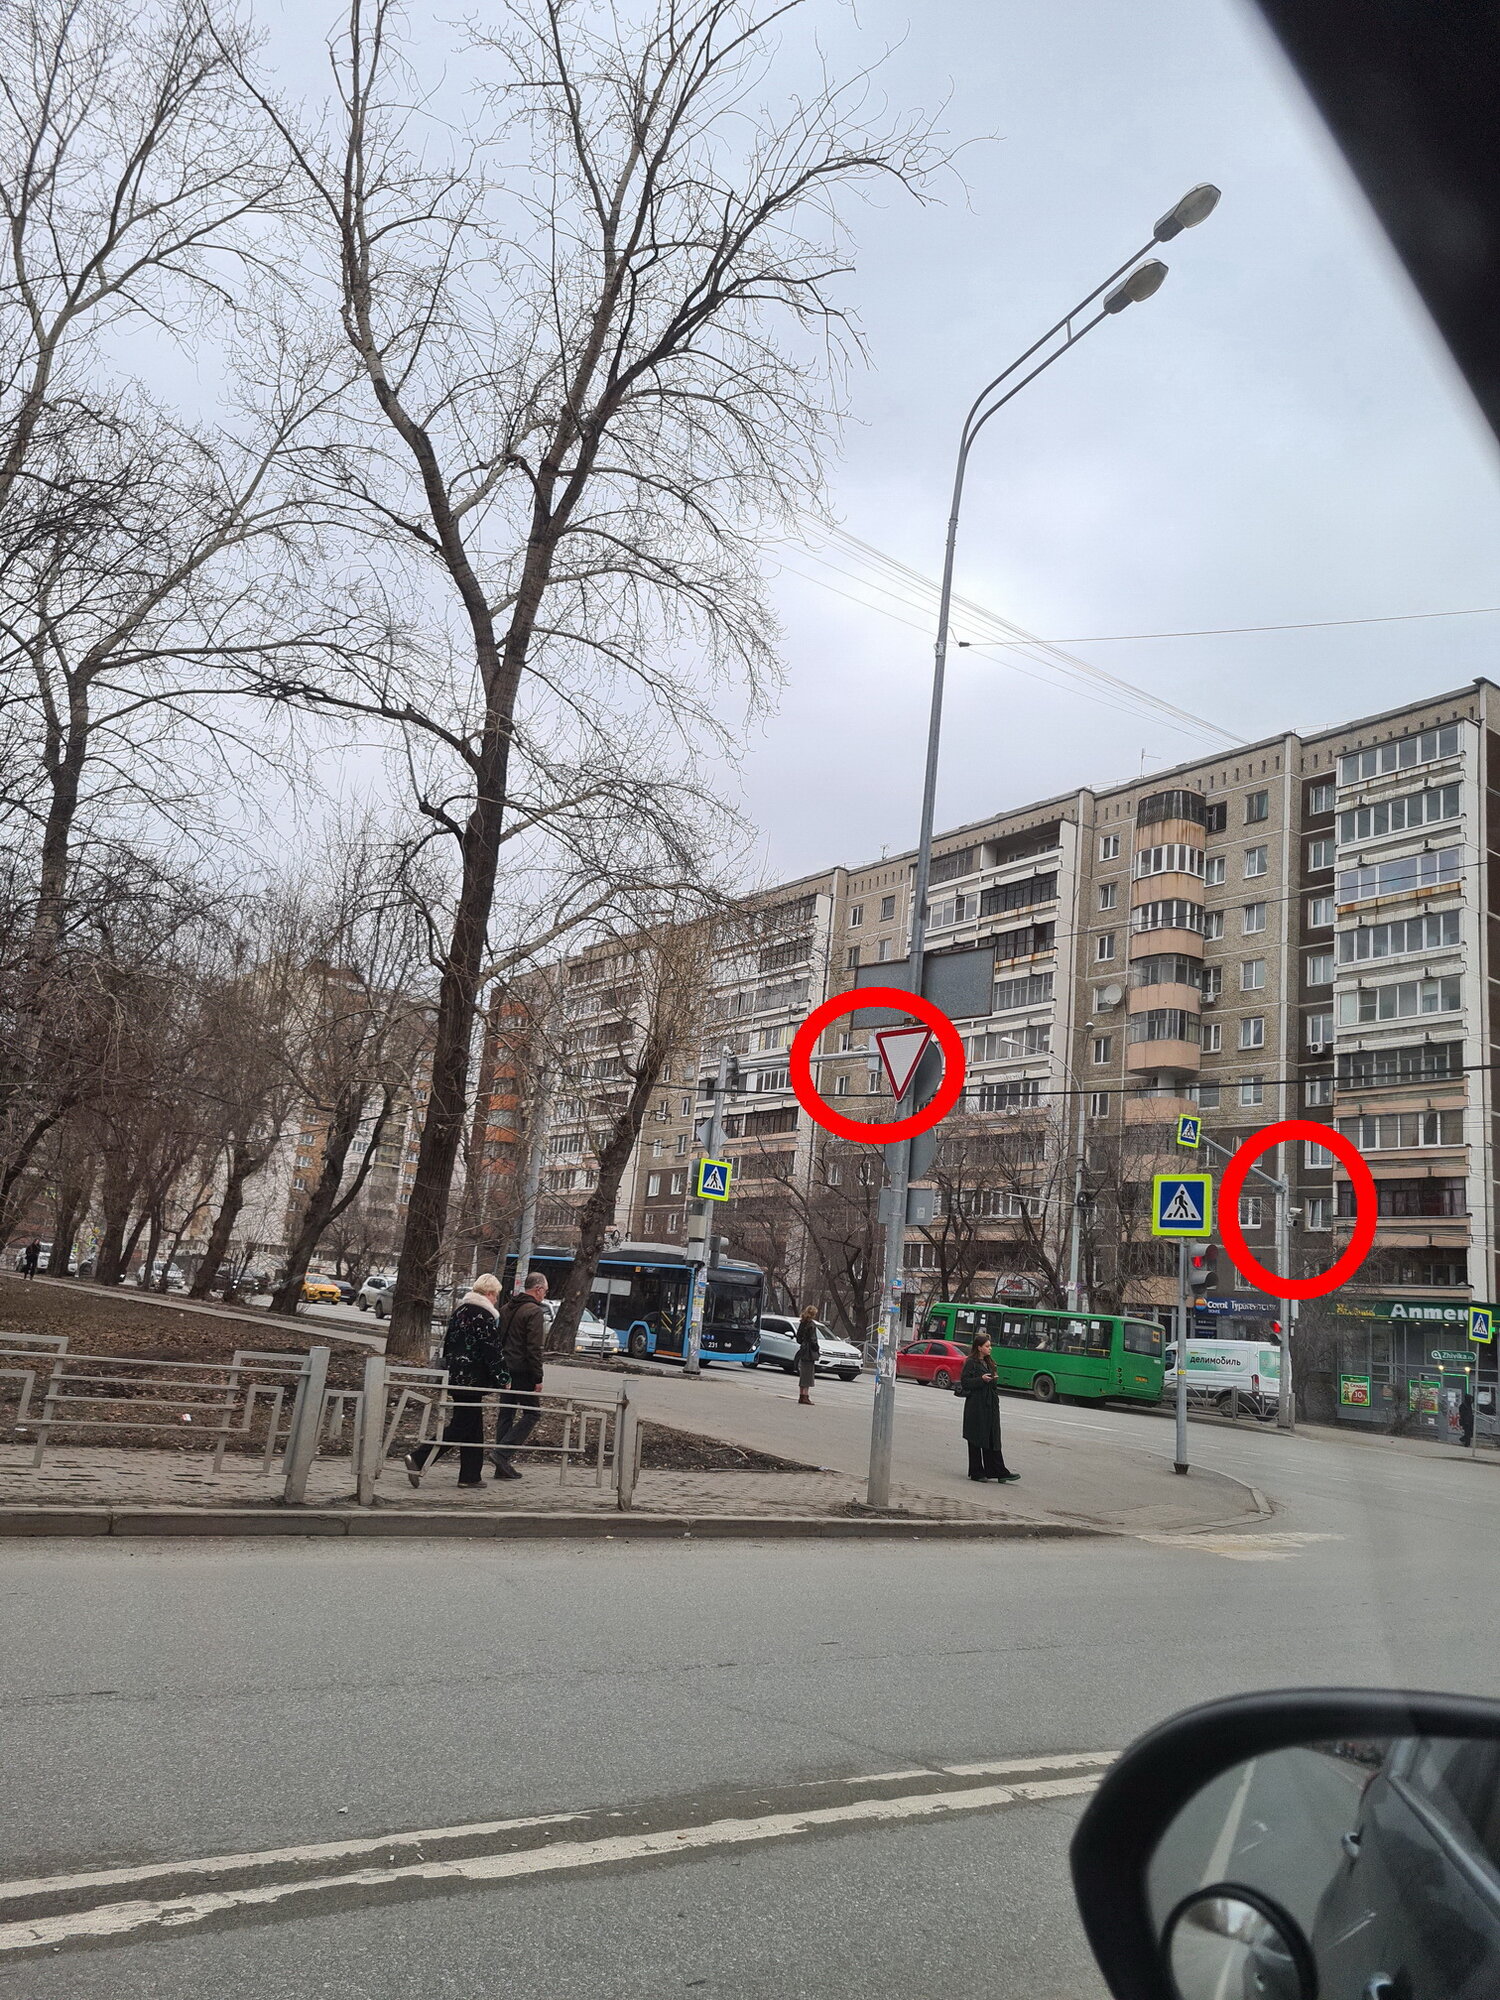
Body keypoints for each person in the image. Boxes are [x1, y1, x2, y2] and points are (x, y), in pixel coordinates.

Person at [405, 1273, 504, 1488]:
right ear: (489, 1293)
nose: (496, 1299)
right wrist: (503, 1377)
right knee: (461, 1425)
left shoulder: (460, 1311)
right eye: (496, 1295)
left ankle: (470, 1476)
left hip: (456, 1377)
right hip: (473, 1380)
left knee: (473, 1427)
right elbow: (491, 1350)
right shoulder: (484, 1315)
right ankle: (418, 1458)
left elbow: (450, 1345)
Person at [491, 1271, 549, 1479]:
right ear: (538, 1289)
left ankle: (501, 1466)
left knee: (506, 1414)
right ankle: (502, 1454)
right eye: (545, 1291)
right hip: (524, 1371)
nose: (545, 1295)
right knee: (532, 1413)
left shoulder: (507, 1308)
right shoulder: (534, 1311)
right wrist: (538, 1377)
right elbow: (534, 1348)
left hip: (506, 1369)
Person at [958, 1331, 1018, 1483]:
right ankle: (977, 1472)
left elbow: (992, 1385)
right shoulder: (971, 1362)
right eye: (987, 1346)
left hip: (990, 1405)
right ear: (979, 1348)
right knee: (976, 1438)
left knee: (992, 1437)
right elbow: (965, 1382)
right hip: (976, 1406)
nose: (990, 1348)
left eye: (990, 1346)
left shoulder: (989, 1362)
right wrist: (981, 1379)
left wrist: (993, 1379)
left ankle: (999, 1471)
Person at [794, 1307, 820, 1406]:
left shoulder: (802, 1323)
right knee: (808, 1374)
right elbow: (813, 1340)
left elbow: (798, 1338)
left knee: (803, 1374)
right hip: (809, 1352)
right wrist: (816, 1348)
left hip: (803, 1349)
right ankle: (805, 1396)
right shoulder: (811, 1325)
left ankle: (801, 1395)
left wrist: (803, 1343)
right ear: (813, 1314)